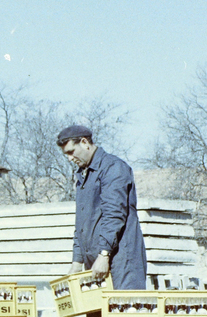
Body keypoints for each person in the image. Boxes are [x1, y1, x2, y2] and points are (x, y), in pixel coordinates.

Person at [57, 123, 147, 289]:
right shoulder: (83, 176)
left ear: (84, 142)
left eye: (71, 152)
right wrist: (77, 261)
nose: (69, 158)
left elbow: (114, 214)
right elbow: (82, 223)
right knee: (96, 314)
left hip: (121, 260)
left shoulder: (113, 168)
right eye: (66, 154)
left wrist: (104, 254)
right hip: (96, 261)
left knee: (122, 312)